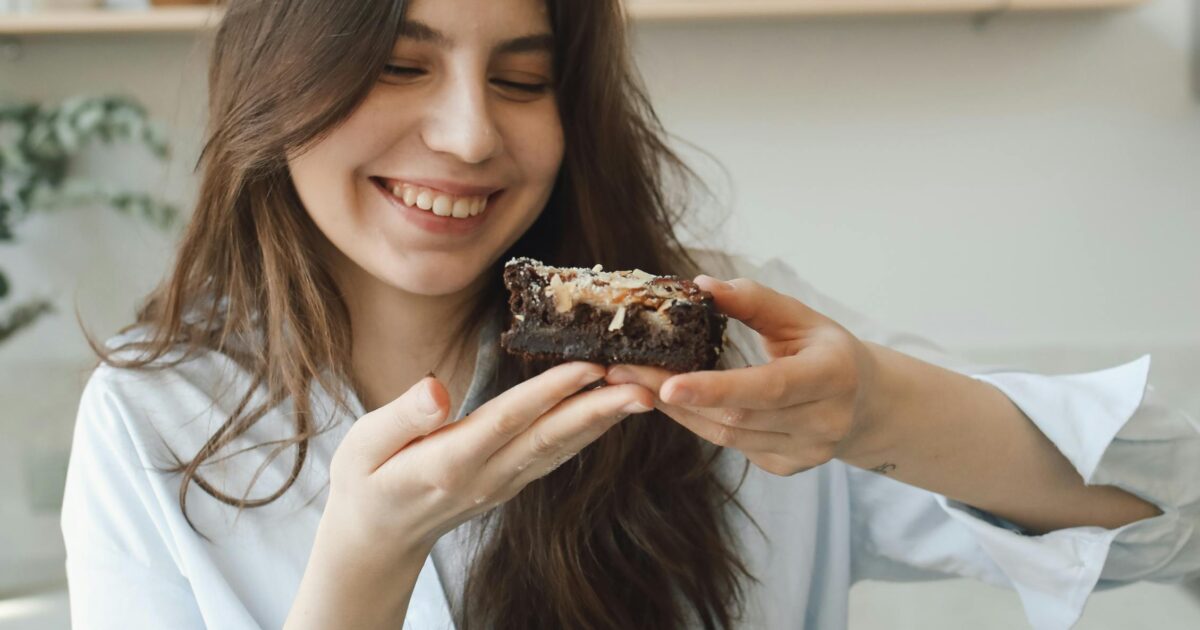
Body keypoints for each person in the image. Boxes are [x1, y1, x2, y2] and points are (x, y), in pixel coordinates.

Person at [60, 0, 1200, 629]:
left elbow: (1174, 515)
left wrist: (878, 409)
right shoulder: (153, 421)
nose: (467, 135)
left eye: (521, 79)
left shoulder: (730, 356)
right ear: (278, 84)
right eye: (399, 66)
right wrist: (364, 562)